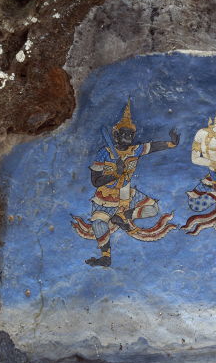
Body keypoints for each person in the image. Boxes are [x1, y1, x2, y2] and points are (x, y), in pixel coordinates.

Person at [72, 101, 179, 266]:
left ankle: (122, 217)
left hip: (126, 192)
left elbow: (152, 147)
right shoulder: (104, 154)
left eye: (131, 135)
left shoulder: (134, 151)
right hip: (106, 195)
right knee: (99, 224)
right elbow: (95, 181)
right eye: (125, 134)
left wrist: (171, 143)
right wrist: (115, 173)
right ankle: (106, 256)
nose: (128, 137)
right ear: (115, 135)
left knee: (152, 208)